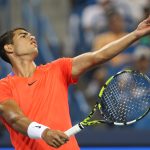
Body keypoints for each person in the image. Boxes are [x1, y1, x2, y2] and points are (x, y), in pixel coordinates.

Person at [0, 16, 149, 150]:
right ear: (9, 48)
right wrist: (44, 132)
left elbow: (98, 56)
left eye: (30, 34)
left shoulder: (58, 68)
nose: (32, 37)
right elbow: (15, 118)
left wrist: (135, 34)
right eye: (23, 35)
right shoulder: (4, 87)